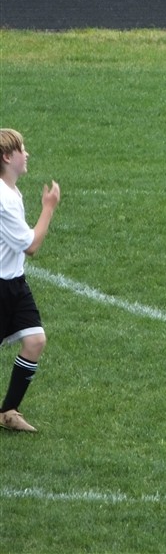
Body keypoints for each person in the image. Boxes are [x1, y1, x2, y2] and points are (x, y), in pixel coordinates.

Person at [0, 128, 61, 433]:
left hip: (15, 281)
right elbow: (31, 246)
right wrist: (48, 208)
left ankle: (8, 412)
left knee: (35, 340)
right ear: (7, 157)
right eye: (22, 150)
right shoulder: (3, 199)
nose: (27, 154)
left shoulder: (10, 191)